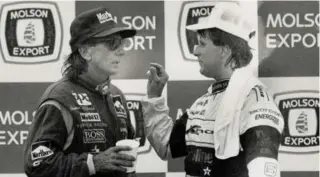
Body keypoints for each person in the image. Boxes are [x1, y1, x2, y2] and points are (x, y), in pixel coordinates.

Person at [142, 2, 284, 177]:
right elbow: (166, 146)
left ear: (224, 50)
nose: (195, 51)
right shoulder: (203, 103)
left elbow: (264, 170)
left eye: (202, 43)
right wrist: (154, 96)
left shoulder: (254, 100)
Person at [24, 7, 138, 177]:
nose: (122, 50)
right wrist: (93, 163)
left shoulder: (116, 95)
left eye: (122, 43)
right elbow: (37, 164)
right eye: (112, 44)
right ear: (85, 51)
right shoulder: (60, 98)